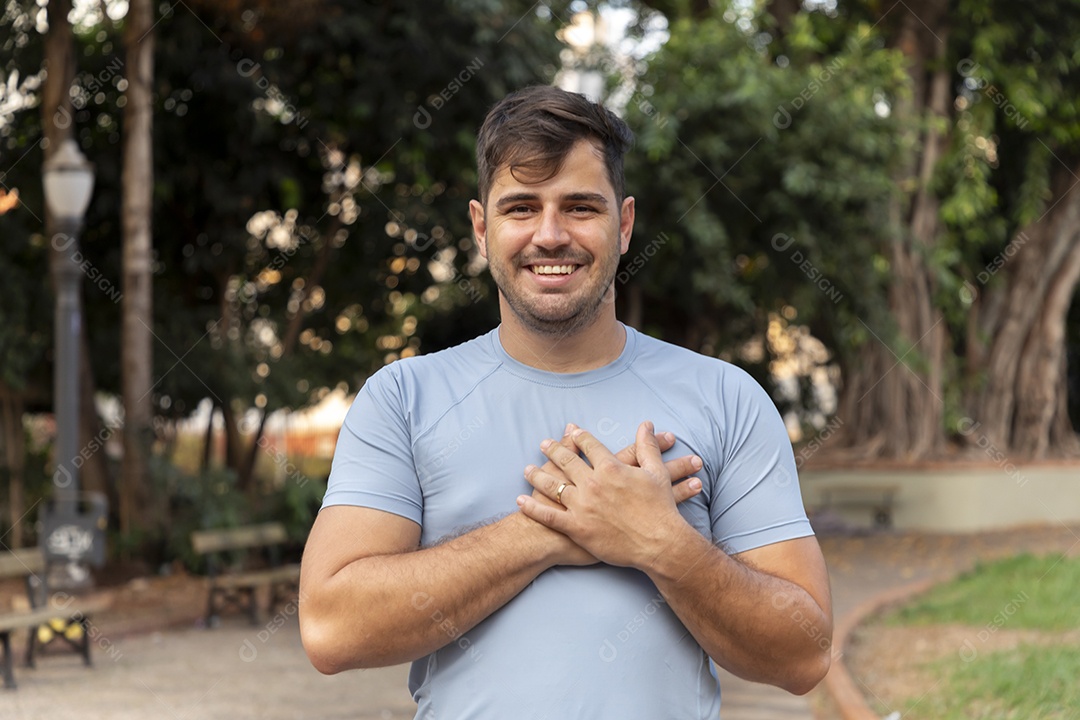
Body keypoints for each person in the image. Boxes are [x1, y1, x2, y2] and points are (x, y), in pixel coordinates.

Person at [299, 85, 832, 719]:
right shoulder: (403, 399)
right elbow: (331, 630)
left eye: (580, 207)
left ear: (624, 225)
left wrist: (664, 544)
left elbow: (804, 655)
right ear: (482, 228)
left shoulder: (727, 398)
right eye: (521, 208)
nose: (550, 236)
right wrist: (547, 529)